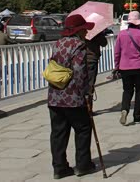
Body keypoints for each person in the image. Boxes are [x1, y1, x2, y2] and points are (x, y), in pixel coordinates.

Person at [48, 14, 96, 179]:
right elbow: (79, 72)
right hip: (73, 97)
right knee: (83, 129)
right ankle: (83, 165)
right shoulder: (78, 45)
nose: (86, 32)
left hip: (55, 95)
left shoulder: (57, 43)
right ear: (78, 30)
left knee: (58, 133)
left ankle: (59, 167)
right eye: (84, 29)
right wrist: (86, 93)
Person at [84, 28, 109, 109]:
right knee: (90, 83)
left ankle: (83, 106)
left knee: (81, 83)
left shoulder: (80, 31)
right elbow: (104, 43)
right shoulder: (95, 31)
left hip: (80, 59)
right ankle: (88, 107)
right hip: (92, 59)